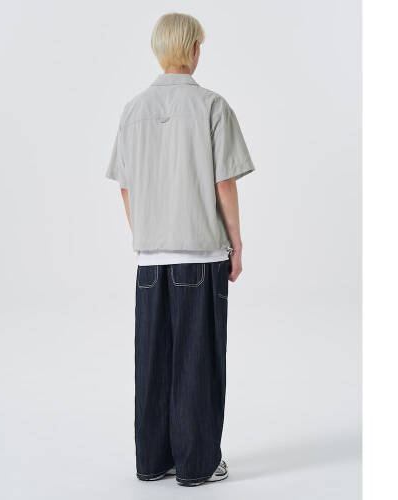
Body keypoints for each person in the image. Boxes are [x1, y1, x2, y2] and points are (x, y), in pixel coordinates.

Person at [106, 12, 255, 487]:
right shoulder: (212, 106)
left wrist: (148, 232)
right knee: (198, 360)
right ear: (192, 49)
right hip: (200, 255)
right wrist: (236, 242)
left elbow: (125, 187)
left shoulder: (132, 110)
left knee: (152, 362)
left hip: (151, 261)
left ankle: (153, 461)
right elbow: (224, 182)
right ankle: (196, 464)